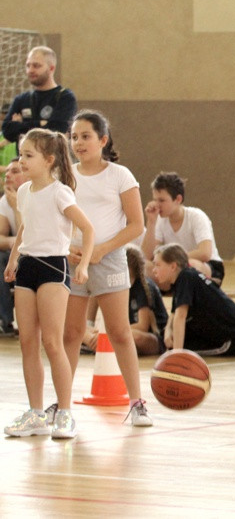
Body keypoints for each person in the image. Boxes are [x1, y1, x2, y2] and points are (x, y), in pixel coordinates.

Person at [61, 110, 152, 427]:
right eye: (74, 137)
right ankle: (62, 407)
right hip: (72, 261)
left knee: (119, 333)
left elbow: (136, 225)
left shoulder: (120, 175)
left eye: (85, 136)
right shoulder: (66, 175)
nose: (78, 142)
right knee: (70, 333)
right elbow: (59, 218)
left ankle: (137, 403)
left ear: (103, 140)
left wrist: (100, 250)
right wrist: (69, 246)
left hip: (109, 259)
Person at [3, 128, 94, 439]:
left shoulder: (60, 192)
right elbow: (27, 226)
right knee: (27, 341)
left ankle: (65, 413)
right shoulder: (26, 191)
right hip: (27, 267)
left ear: (49, 160)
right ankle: (36, 413)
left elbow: (87, 229)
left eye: (29, 155)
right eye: (22, 154)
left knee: (52, 343)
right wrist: (14, 259)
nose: (21, 161)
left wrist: (82, 265)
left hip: (53, 268)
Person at [152, 243, 235, 357]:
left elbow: (180, 316)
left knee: (178, 349)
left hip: (231, 339)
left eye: (158, 265)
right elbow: (174, 314)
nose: (154, 270)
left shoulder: (186, 278)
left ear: (173, 266)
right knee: (171, 339)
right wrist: (168, 331)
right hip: (229, 332)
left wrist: (176, 356)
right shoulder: (184, 277)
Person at [142, 172, 225, 284]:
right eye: (155, 200)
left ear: (178, 199)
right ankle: (174, 286)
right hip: (173, 265)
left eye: (161, 200)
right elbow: (147, 256)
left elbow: (205, 253)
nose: (157, 205)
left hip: (207, 265)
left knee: (191, 266)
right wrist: (151, 223)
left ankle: (202, 285)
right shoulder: (159, 220)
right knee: (145, 267)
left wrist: (172, 259)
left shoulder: (196, 216)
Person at [1, 47, 78, 150]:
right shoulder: (21, 99)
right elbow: (7, 131)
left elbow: (56, 131)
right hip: (24, 161)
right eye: (28, 66)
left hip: (53, 161)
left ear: (51, 68)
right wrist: (40, 123)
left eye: (36, 66)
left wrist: (21, 125)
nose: (30, 70)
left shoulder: (65, 97)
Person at [0, 157, 27, 335]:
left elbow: (29, 234)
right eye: (7, 171)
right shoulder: (4, 200)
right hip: (16, 251)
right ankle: (5, 320)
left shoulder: (36, 195)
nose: (8, 175)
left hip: (38, 251)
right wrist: (11, 242)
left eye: (15, 171)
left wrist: (17, 208)